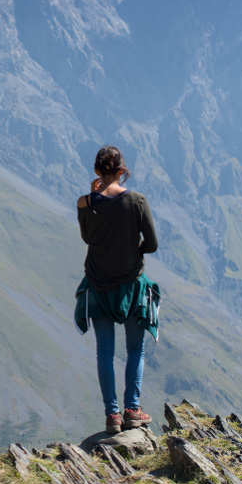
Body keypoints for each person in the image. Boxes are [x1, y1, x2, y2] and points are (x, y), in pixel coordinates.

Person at [75, 146, 159, 435]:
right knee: (135, 347)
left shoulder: (85, 203)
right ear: (123, 170)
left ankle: (112, 416)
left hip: (98, 284)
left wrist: (91, 196)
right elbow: (152, 243)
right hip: (132, 285)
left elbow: (88, 237)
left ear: (97, 171)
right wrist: (134, 251)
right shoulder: (137, 200)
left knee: (104, 352)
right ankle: (132, 410)